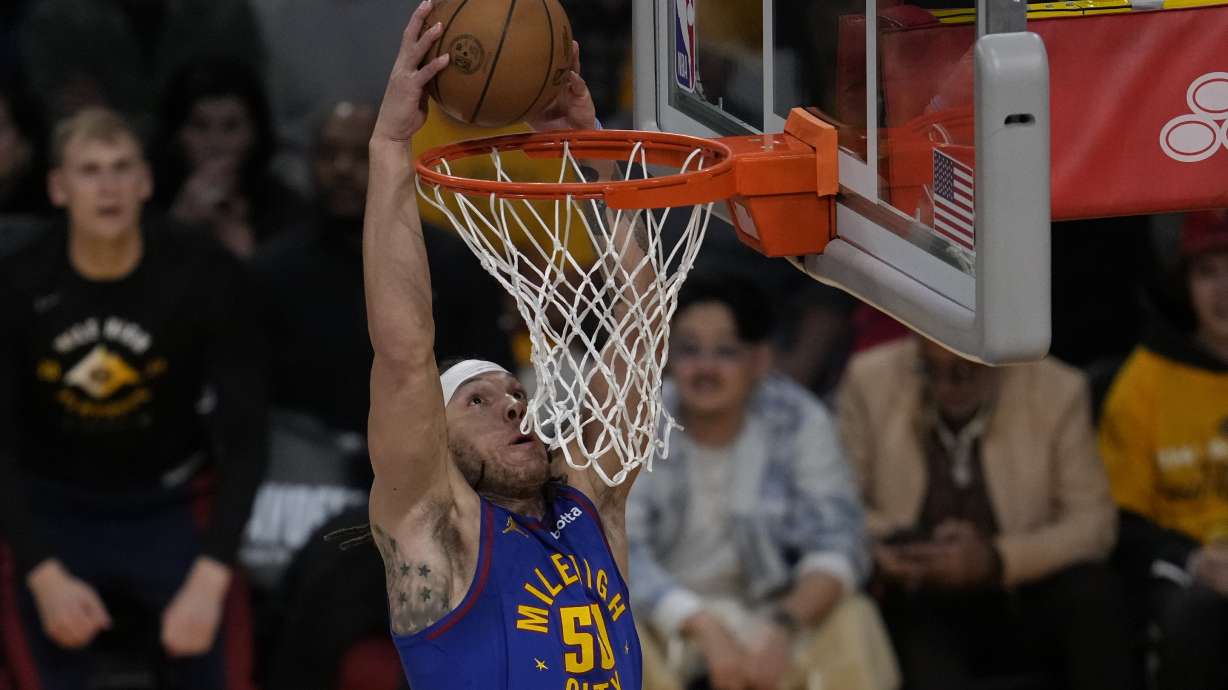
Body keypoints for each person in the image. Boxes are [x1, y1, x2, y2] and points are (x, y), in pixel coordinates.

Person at [361, 4, 641, 689]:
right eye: (477, 402)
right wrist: (392, 146)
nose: (513, 407)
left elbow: (638, 329)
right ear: (438, 440)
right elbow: (403, 355)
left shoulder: (589, 508)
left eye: (514, 395)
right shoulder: (437, 536)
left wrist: (594, 148)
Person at [0, 107, 267, 689]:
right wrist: (42, 572)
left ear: (146, 182)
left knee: (225, 657)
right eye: (90, 170)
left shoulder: (205, 273)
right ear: (57, 187)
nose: (108, 187)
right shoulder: (17, 282)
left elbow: (247, 438)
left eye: (122, 169)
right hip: (50, 506)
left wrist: (212, 574)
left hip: (170, 502)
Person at [627, 273, 898, 690]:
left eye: (725, 351)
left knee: (853, 617)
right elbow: (623, 550)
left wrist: (783, 625)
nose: (705, 368)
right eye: (689, 350)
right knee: (613, 624)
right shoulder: (642, 420)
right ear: (667, 355)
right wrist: (699, 624)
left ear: (760, 360)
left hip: (774, 614)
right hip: (669, 617)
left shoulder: (798, 419)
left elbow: (839, 540)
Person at [838, 336, 1134, 690]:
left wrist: (996, 558)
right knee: (905, 615)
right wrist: (892, 546)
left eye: (963, 373)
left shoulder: (1058, 389)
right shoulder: (868, 380)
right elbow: (837, 507)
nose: (945, 387)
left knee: (1093, 592)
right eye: (930, 371)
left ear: (995, 360)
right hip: (918, 589)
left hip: (1023, 591)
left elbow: (1094, 524)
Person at [1099, 210, 1228, 690]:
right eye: (1207, 271)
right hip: (1187, 579)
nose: (1224, 290)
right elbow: (1121, 525)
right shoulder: (1145, 382)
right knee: (1197, 611)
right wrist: (1196, 560)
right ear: (1184, 284)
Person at [155, 58, 308, 258]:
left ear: (256, 133)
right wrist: (179, 225)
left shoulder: (287, 210)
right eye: (200, 126)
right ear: (177, 134)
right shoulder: (144, 199)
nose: (215, 143)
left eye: (231, 127)